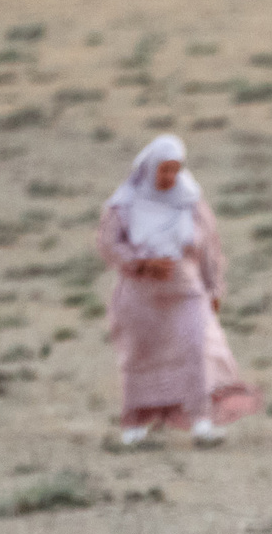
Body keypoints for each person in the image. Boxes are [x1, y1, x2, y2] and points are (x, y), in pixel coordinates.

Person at [99, 134, 261, 445]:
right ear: (150, 169)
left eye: (175, 169)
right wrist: (142, 263)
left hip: (186, 290)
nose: (169, 177)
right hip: (139, 295)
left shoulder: (190, 201)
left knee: (195, 349)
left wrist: (214, 288)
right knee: (141, 355)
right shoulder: (125, 204)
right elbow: (108, 244)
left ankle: (202, 422)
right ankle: (135, 424)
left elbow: (209, 248)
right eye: (164, 169)